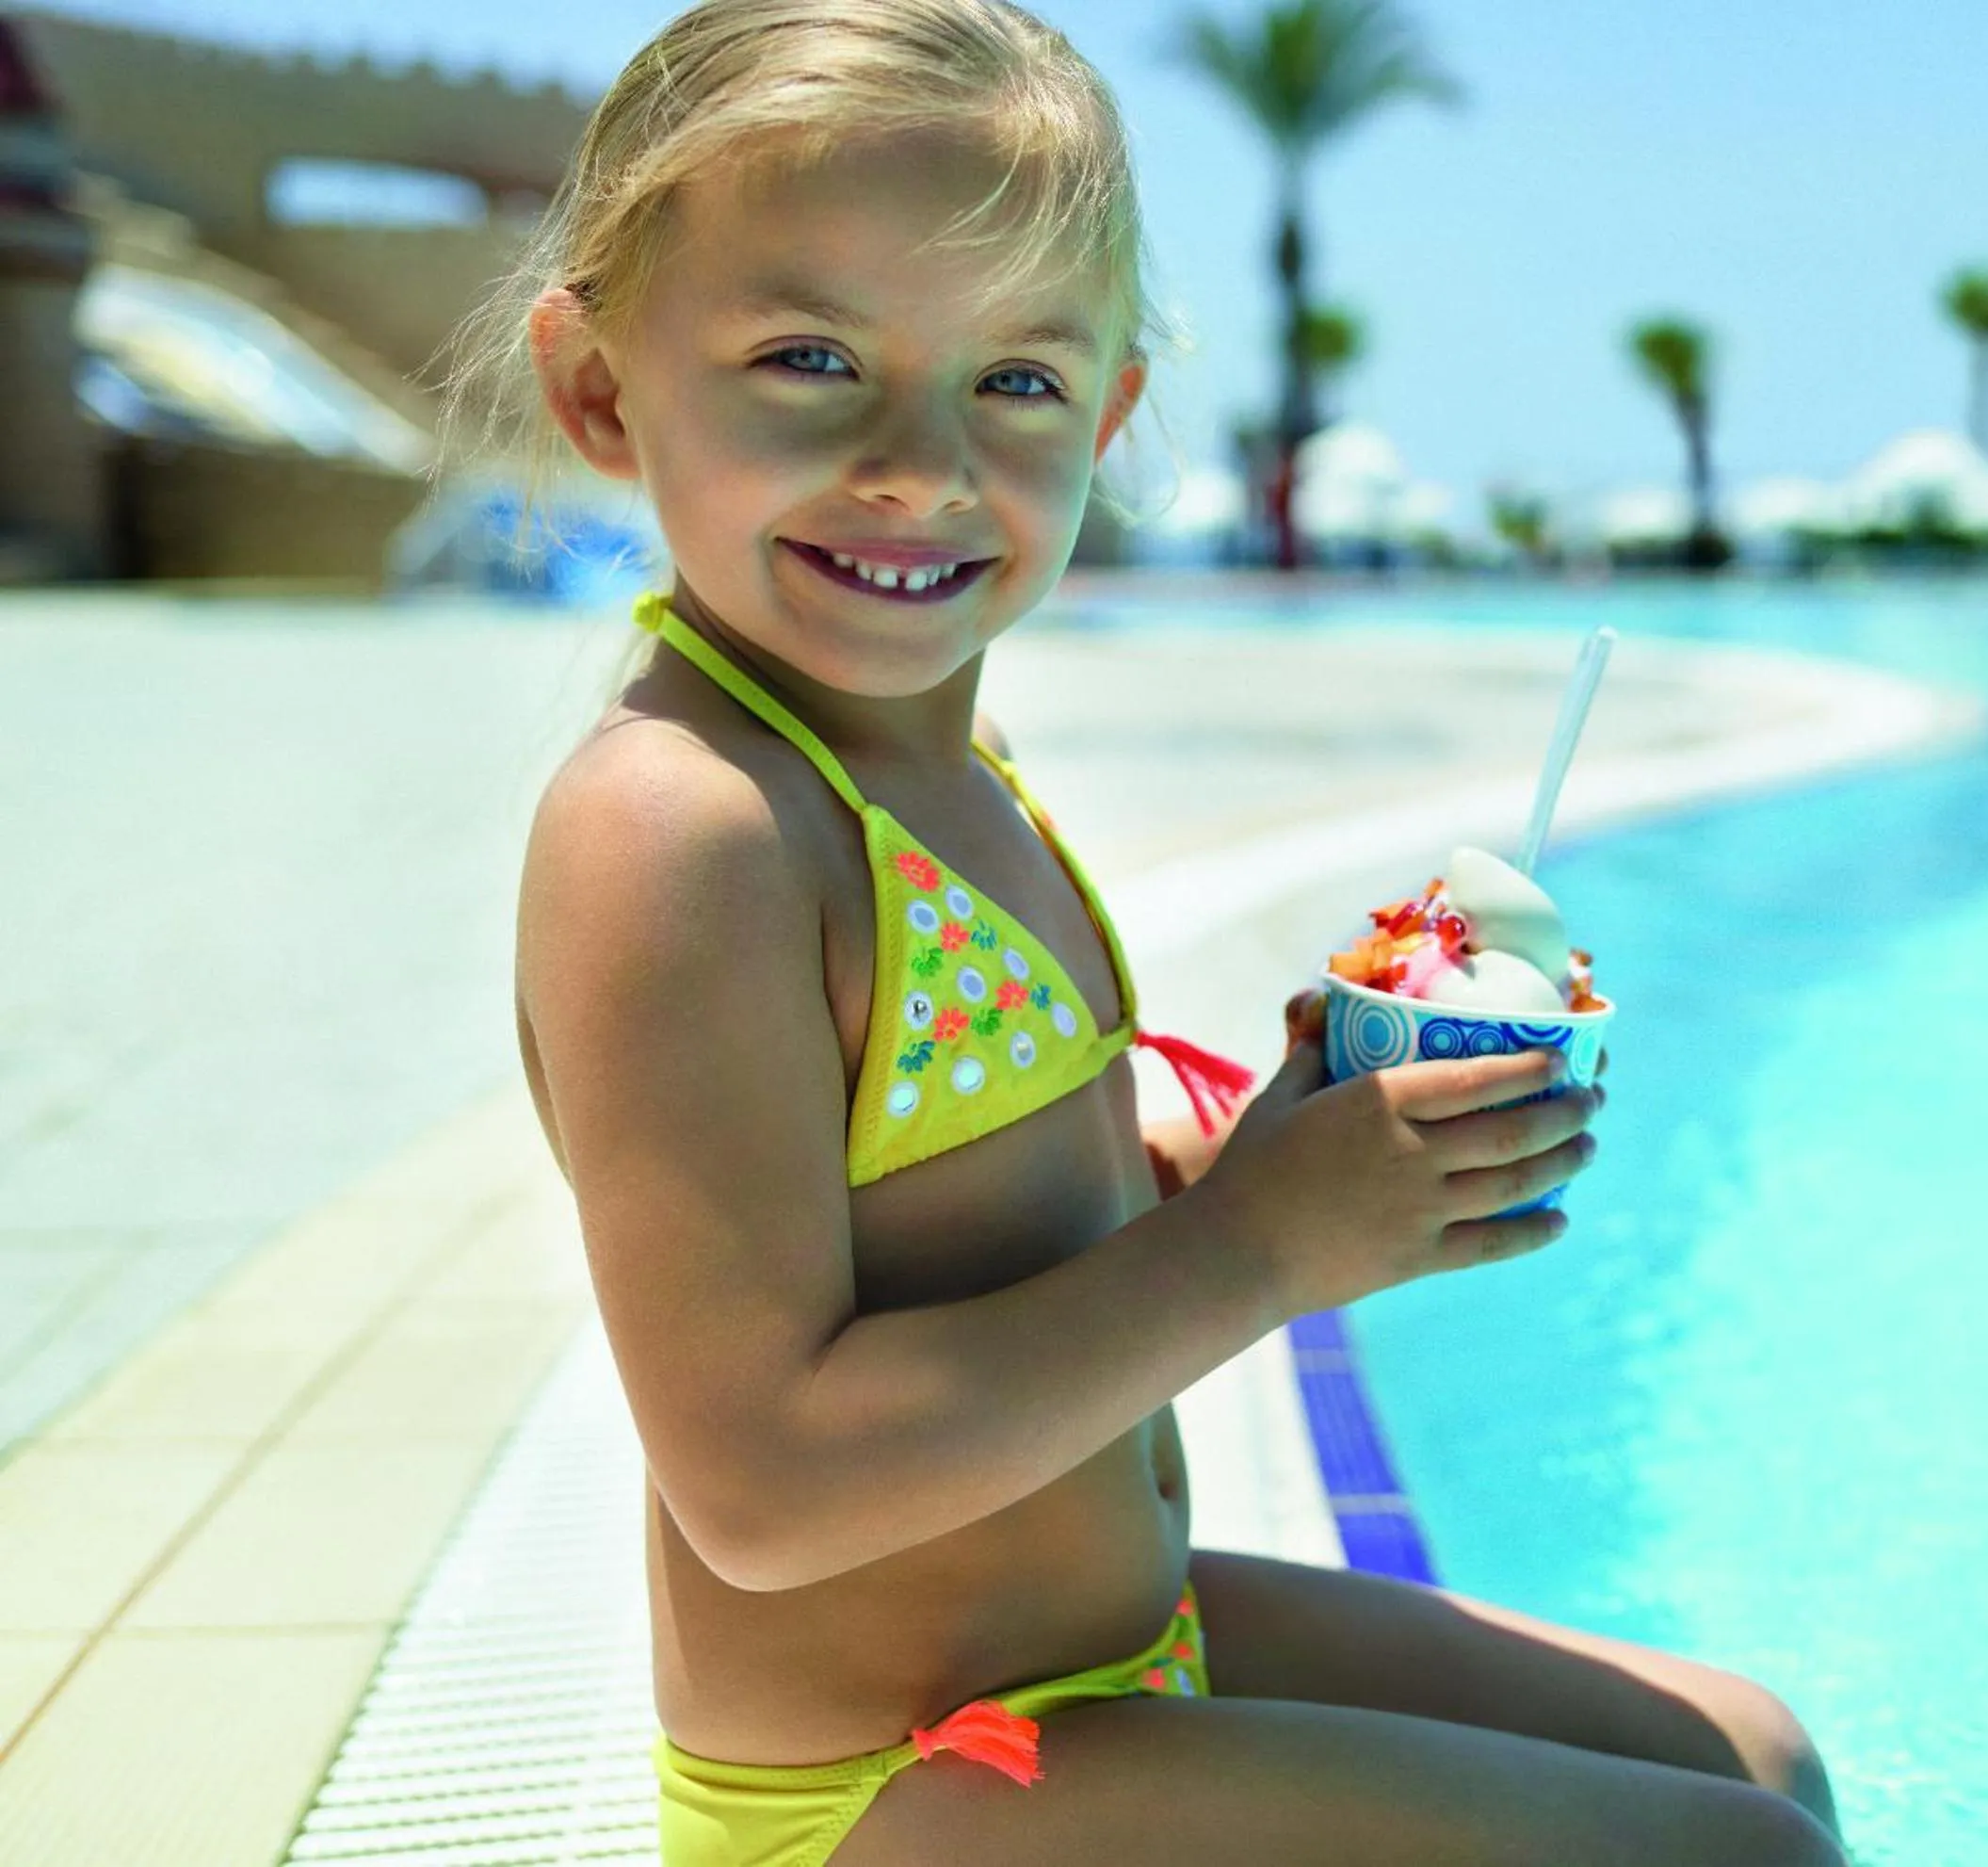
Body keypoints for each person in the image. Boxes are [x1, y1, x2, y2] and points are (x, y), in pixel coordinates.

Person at [477, 3, 1845, 1860]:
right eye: (808, 357)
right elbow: (765, 1487)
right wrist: (1261, 1252)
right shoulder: (682, 827)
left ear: (1110, 413)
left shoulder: (950, 762)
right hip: (885, 1784)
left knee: (1753, 1755)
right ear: (600, 388)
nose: (922, 466)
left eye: (1016, 382)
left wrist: (1236, 1151)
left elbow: (935, 1192)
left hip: (1116, 1652)